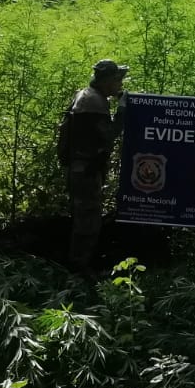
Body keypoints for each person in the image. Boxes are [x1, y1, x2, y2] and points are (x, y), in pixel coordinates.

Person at [64, 58, 128, 272]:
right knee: (88, 221)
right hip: (86, 170)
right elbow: (108, 135)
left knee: (85, 217)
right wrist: (122, 111)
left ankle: (78, 264)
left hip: (80, 167)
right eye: (118, 80)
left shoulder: (87, 96)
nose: (120, 84)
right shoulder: (94, 102)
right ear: (107, 81)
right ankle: (79, 268)